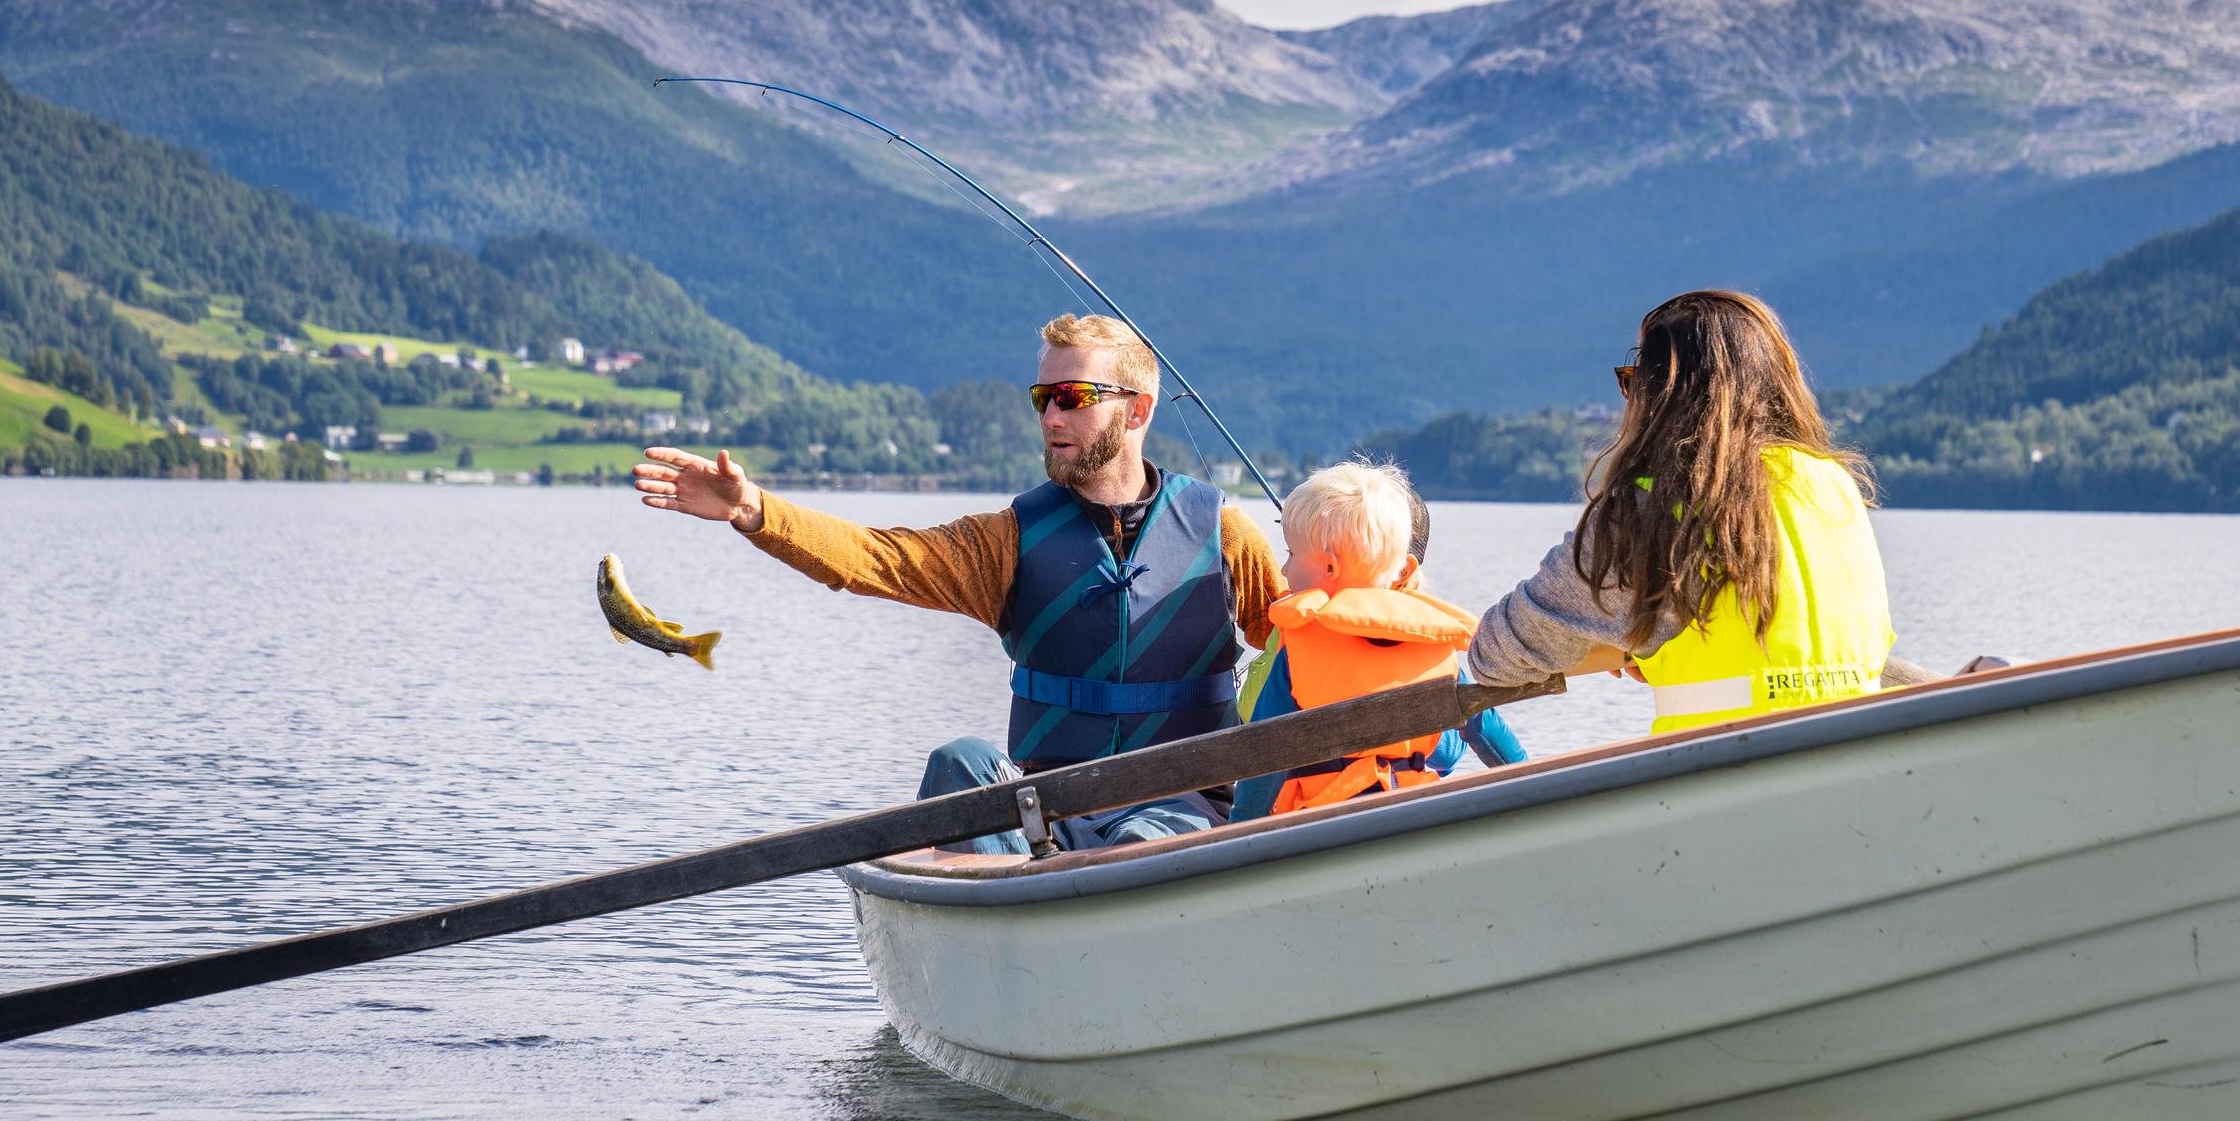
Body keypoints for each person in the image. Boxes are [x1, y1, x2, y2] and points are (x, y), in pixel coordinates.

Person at [632, 313, 1281, 854]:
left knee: (1139, 840)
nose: (1050, 417)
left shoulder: (1223, 533)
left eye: (1072, 397)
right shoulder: (1007, 541)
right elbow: (876, 557)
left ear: (1136, 411)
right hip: (1048, 812)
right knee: (959, 762)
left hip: (1180, 815)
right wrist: (754, 511)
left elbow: (1297, 645)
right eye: (1041, 398)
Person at [1467, 288, 1953, 725]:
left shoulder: (1646, 514)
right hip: (1865, 769)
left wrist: (1620, 640)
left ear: (1661, 396)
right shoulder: (1833, 486)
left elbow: (1494, 657)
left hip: (1720, 792)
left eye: (1634, 380)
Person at [1228, 460, 1529, 821]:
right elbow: (1485, 726)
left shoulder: (1299, 648)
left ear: (1329, 568)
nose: (1283, 569)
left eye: (1291, 554)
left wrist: (1241, 826)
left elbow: (1266, 754)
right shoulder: (1428, 642)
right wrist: (1531, 782)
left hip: (1323, 820)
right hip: (1415, 809)